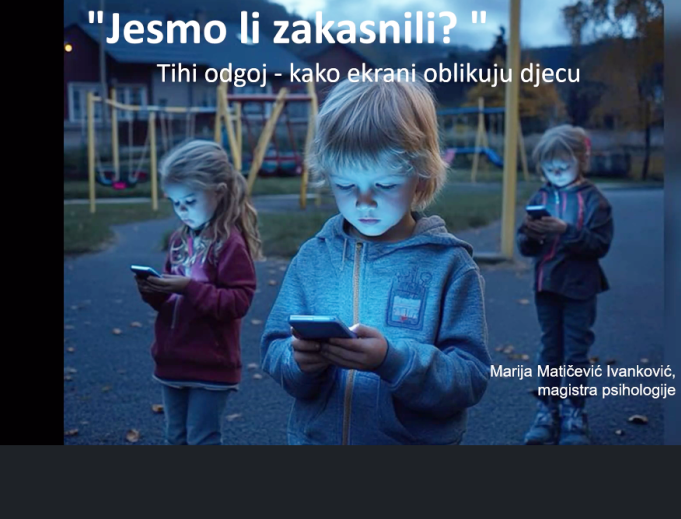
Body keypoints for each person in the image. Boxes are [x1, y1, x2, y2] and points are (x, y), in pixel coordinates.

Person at [260, 78, 491, 445]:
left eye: (383, 185)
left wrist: (393, 360)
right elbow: (274, 348)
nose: (364, 202)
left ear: (421, 176)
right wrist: (299, 361)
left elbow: (469, 377)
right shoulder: (314, 258)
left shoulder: (448, 266)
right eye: (346, 185)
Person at [135, 139, 262, 444]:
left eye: (189, 201)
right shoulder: (179, 240)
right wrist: (152, 289)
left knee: (202, 438)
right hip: (171, 359)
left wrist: (189, 288)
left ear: (218, 192)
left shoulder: (229, 245)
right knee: (174, 436)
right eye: (175, 202)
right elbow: (168, 301)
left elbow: (238, 301)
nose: (182, 211)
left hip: (211, 365)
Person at [516, 125, 614, 445]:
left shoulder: (595, 201)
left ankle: (573, 412)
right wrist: (532, 234)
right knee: (549, 349)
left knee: (574, 351)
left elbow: (599, 245)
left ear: (582, 159)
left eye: (563, 165)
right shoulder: (541, 197)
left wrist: (565, 229)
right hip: (546, 286)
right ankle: (548, 410)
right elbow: (525, 246)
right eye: (548, 166)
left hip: (580, 288)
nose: (555, 172)